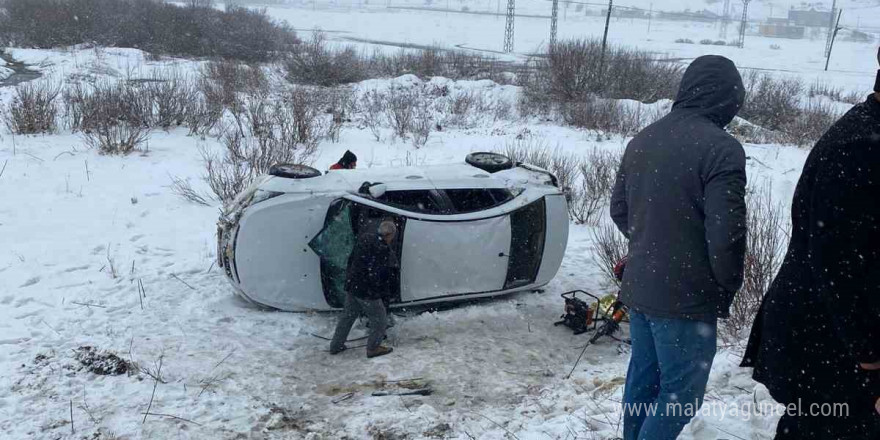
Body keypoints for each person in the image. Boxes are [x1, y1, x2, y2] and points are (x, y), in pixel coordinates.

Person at [741, 49, 880, 439]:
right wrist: (868, 354)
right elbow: (838, 263)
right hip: (829, 342)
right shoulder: (861, 147)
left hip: (831, 335)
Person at [610, 55, 747, 440]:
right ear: (728, 99)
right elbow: (727, 235)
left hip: (641, 287)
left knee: (644, 381)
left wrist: (653, 245)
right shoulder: (722, 148)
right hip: (687, 296)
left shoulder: (644, 138)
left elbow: (619, 209)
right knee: (681, 394)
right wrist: (725, 286)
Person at [329, 219, 397, 358]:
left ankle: (336, 345)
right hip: (366, 291)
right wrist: (379, 294)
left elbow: (352, 259)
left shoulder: (365, 238)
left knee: (347, 317)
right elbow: (376, 274)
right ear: (389, 235)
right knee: (380, 320)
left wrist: (350, 279)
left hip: (353, 285)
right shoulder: (382, 249)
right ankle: (373, 348)